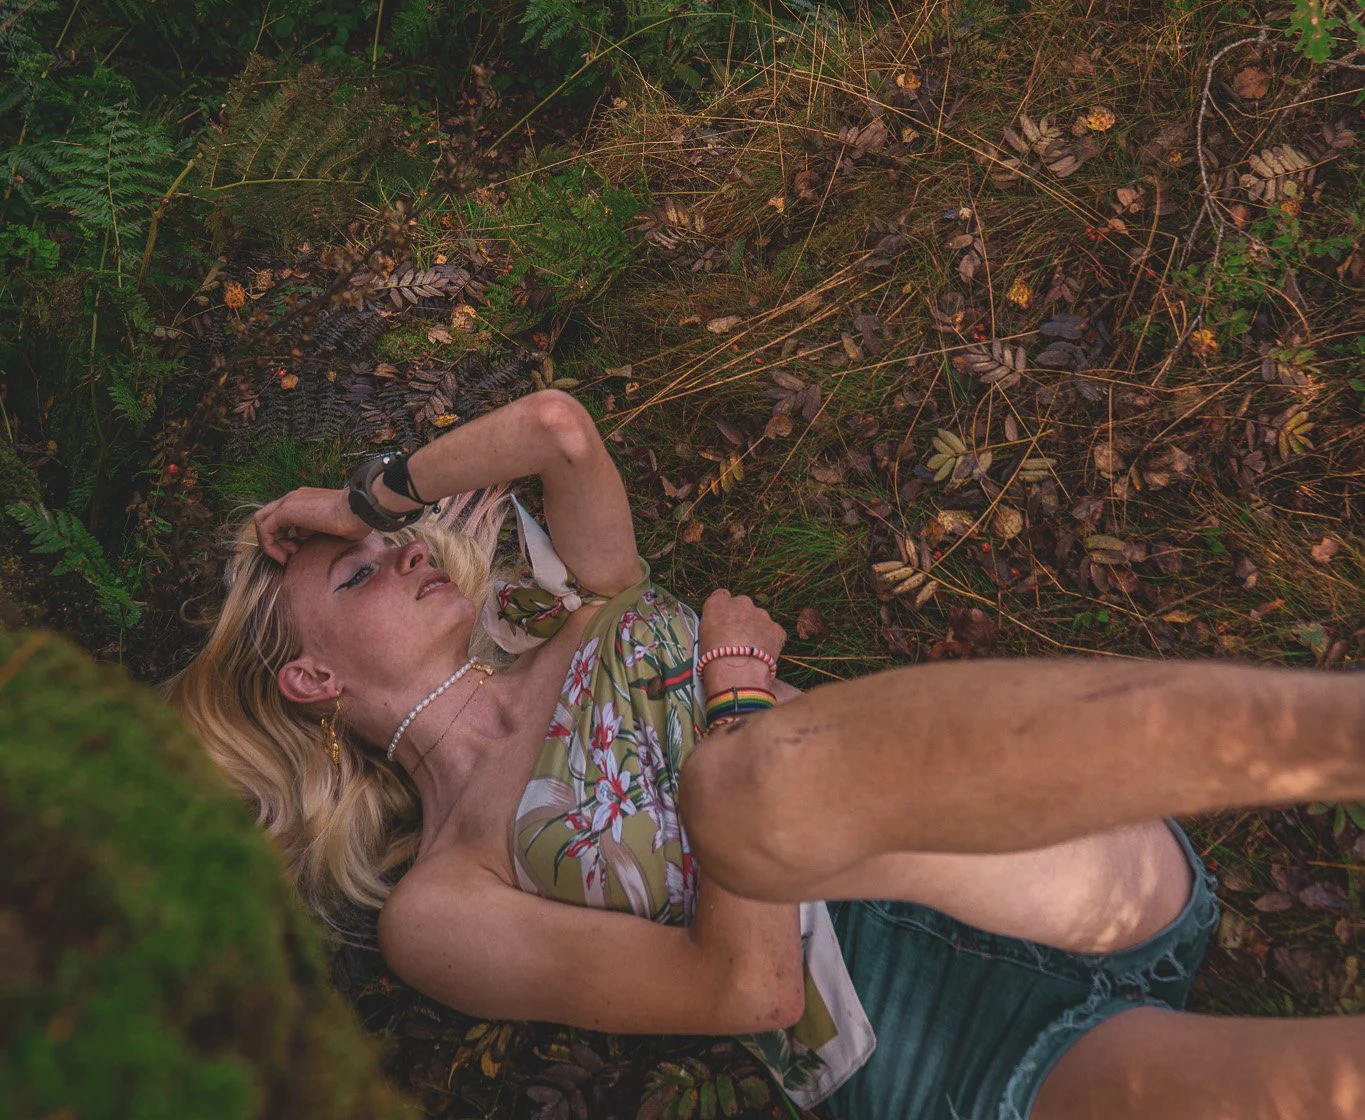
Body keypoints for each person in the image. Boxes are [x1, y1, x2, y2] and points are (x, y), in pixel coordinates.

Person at [170, 388, 1365, 1119]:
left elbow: (556, 429)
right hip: (926, 1047)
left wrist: (360, 497)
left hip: (1009, 851)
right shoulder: (439, 901)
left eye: (389, 535)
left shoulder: (563, 605)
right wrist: (731, 698)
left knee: (753, 787)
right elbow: (746, 989)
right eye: (363, 569)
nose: (407, 544)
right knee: (737, 781)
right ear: (312, 679)